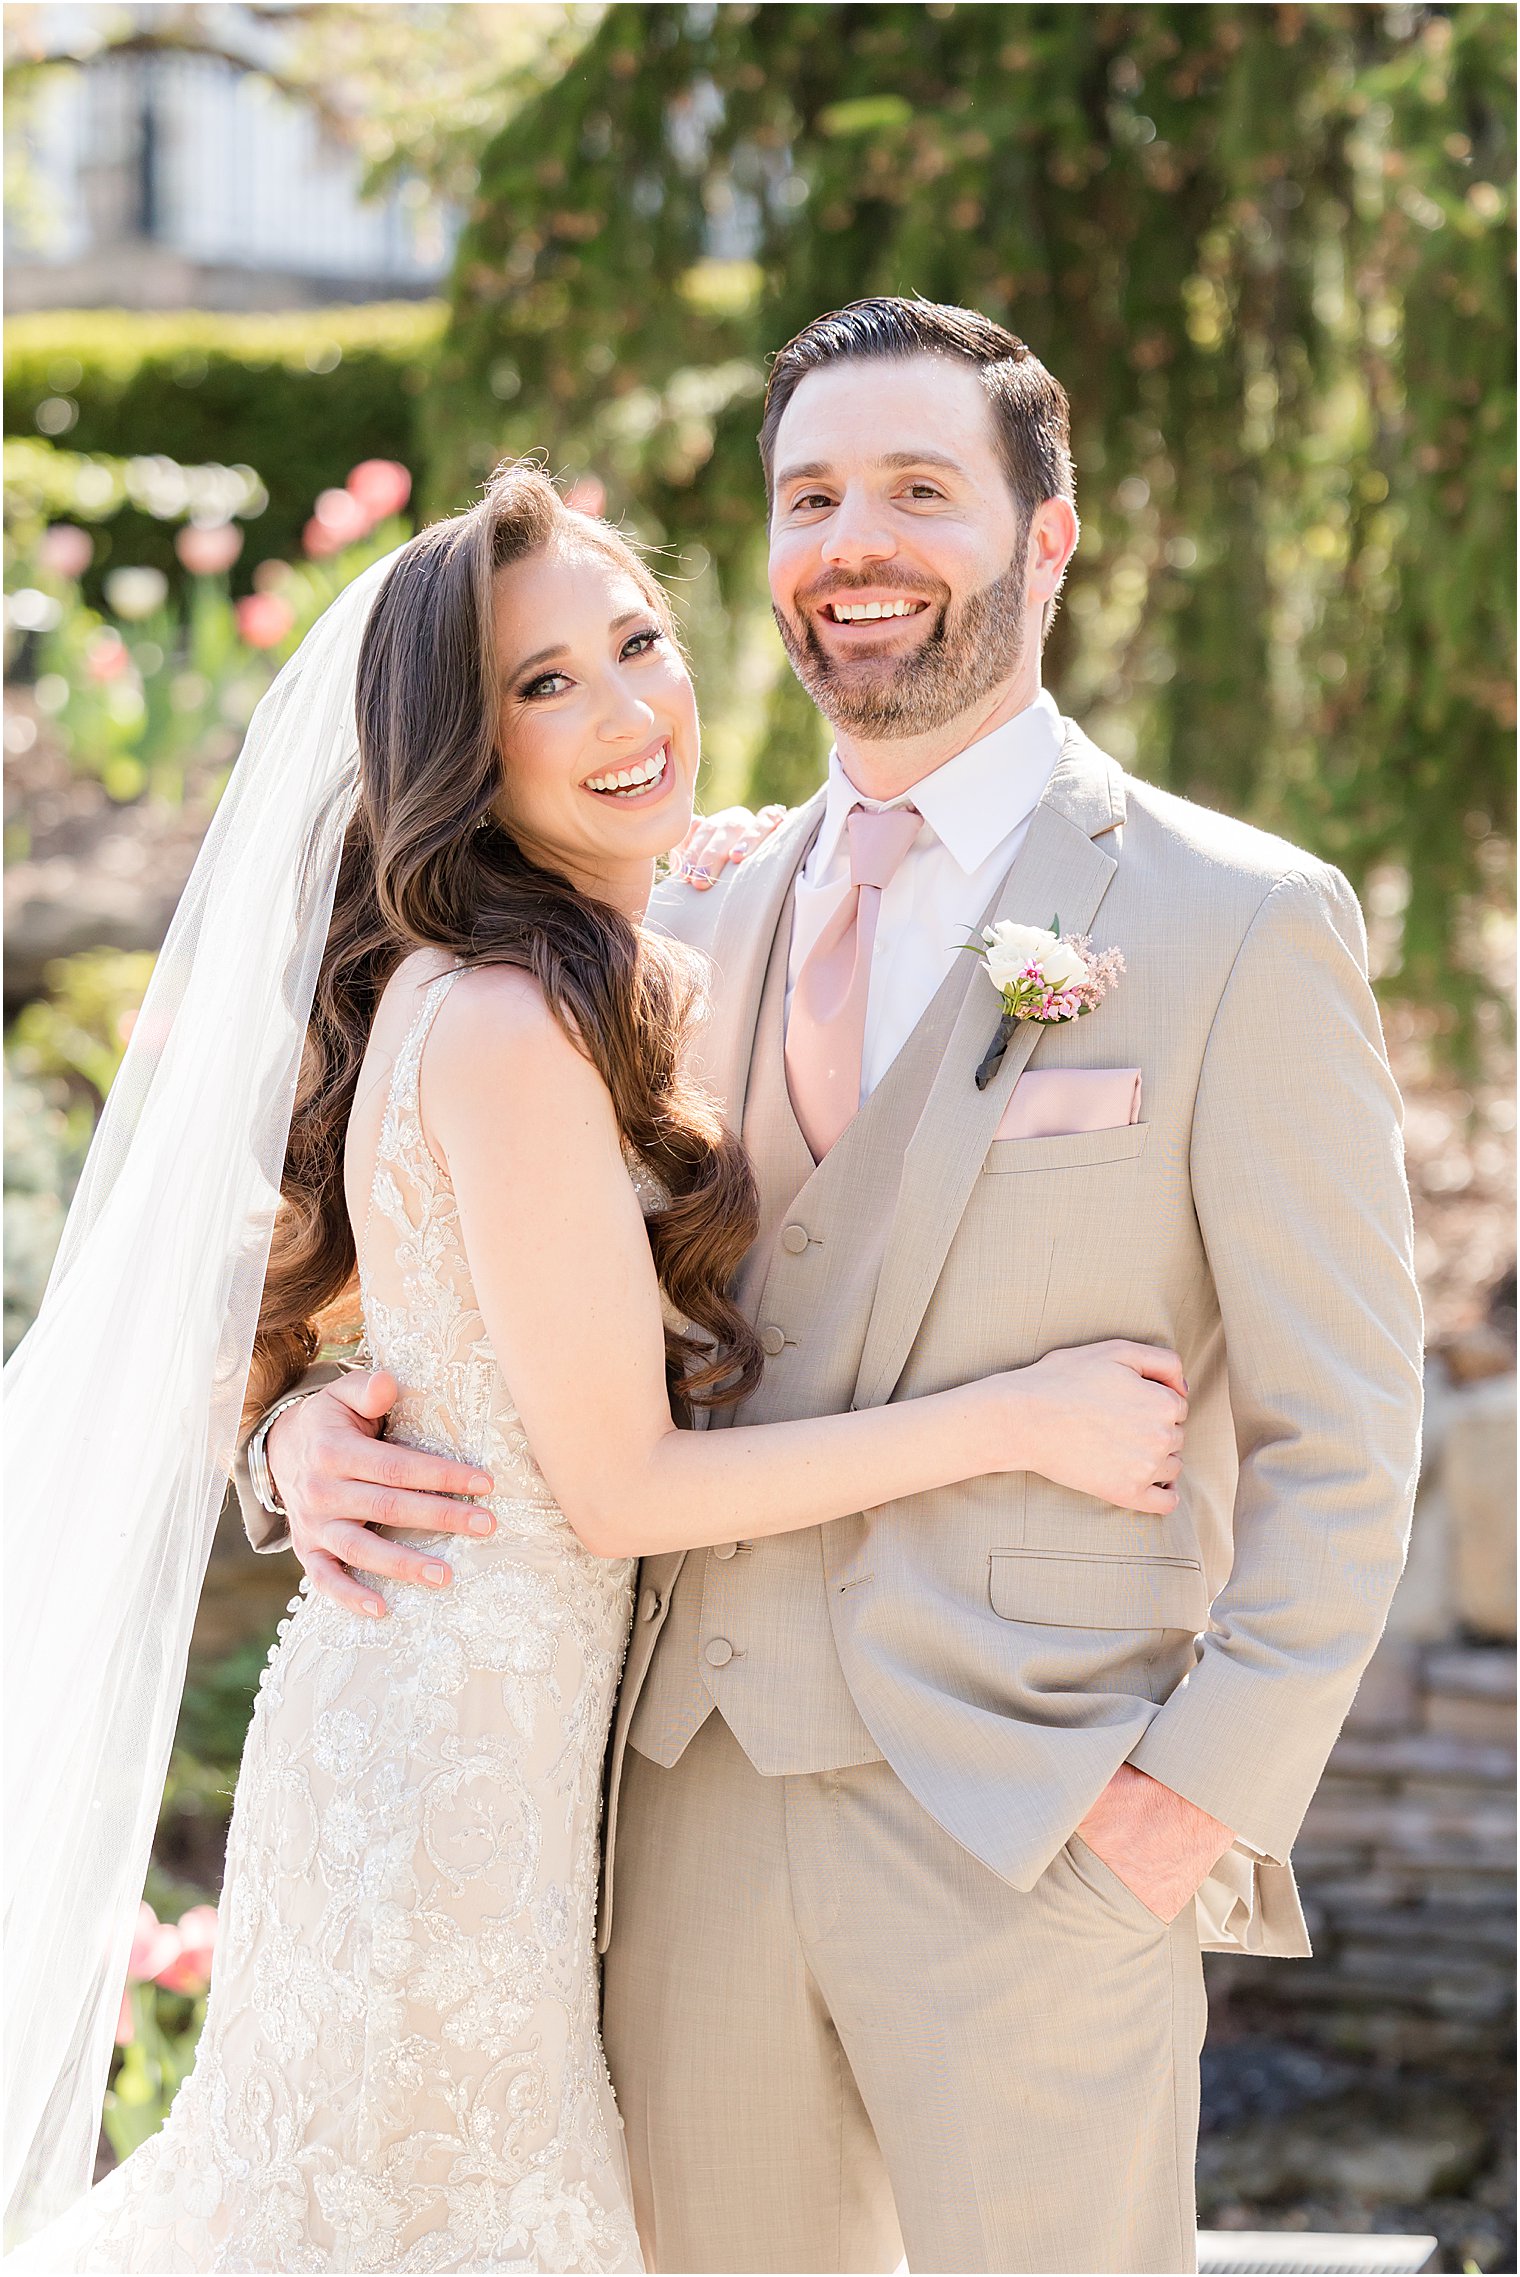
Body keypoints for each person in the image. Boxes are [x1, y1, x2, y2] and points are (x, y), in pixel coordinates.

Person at [257, 301, 1425, 2275]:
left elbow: (1348, 1432)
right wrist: (297, 1438)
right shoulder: (663, 906)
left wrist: (1178, 1812)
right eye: (811, 494)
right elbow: (421, 1270)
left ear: (1046, 534)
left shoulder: (1237, 922)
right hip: (667, 1824)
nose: (852, 540)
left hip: (1038, 1822)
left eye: (916, 488)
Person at [4, 462, 1192, 2274]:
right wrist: (1014, 1420)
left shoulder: (594, 953)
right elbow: (621, 1478)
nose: (633, 705)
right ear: (455, 752)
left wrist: (313, 1421)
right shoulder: (499, 1017)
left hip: (516, 1767)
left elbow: (395, 1324)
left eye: (637, 640)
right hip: (449, 1802)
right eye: (543, 683)